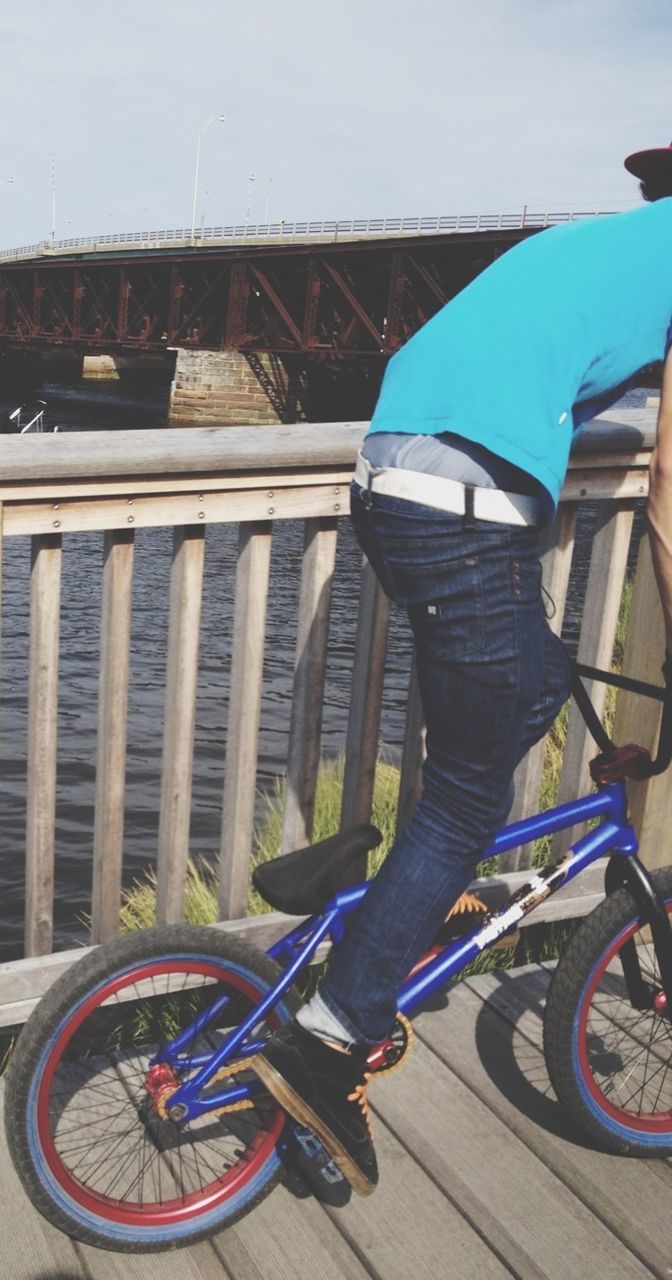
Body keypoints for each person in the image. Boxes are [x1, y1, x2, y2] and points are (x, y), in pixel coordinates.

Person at [253, 141, 672, 1197]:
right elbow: (668, 500)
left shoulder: (612, 244)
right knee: (464, 804)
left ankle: (390, 892)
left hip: (397, 473)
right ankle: (334, 1026)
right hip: (464, 508)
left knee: (532, 684)